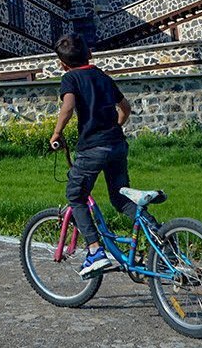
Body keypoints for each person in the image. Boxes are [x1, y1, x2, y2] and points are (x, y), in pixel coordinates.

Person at [48, 33, 160, 277]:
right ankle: (160, 238)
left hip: (92, 149)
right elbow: (126, 109)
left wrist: (57, 133)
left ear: (62, 64)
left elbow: (67, 107)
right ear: (90, 54)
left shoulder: (70, 78)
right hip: (117, 145)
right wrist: (116, 128)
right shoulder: (103, 77)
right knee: (121, 198)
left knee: (76, 195)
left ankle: (95, 250)